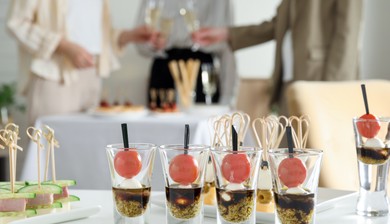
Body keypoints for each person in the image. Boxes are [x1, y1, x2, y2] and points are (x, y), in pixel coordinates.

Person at [192, 0, 363, 112]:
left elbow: (347, 35)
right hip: (288, 80)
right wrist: (227, 34)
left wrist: (334, 90)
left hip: (320, 82)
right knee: (287, 154)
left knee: (316, 157)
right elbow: (277, 25)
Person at [6, 0, 158, 125]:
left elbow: (98, 34)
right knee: (47, 152)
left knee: (84, 150)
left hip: (92, 76)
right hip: (53, 76)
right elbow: (16, 23)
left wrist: (128, 36)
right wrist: (63, 45)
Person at [136, 0, 238, 110]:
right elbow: (140, 41)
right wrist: (152, 43)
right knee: (162, 119)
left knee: (203, 123)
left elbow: (228, 47)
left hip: (202, 71)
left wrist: (227, 98)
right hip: (164, 67)